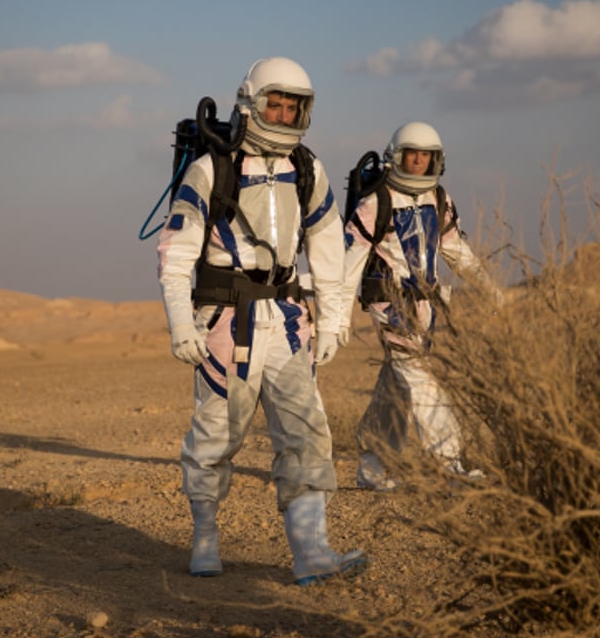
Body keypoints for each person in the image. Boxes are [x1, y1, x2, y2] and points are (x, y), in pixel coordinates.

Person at [157, 56, 366, 586]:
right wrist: (181, 322)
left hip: (290, 320)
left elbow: (326, 246)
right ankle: (205, 539)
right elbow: (177, 251)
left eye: (294, 105)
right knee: (215, 436)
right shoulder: (212, 168)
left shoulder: (307, 170)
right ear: (250, 100)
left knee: (307, 433)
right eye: (276, 101)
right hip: (226, 321)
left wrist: (335, 319)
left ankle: (313, 554)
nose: (284, 112)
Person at [339, 121, 505, 491]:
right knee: (421, 379)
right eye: (411, 154)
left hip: (425, 306)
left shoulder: (439, 199)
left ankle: (372, 463)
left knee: (397, 385)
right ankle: (449, 464)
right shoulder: (375, 202)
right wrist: (336, 317)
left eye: (426, 156)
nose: (418, 162)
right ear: (395, 157)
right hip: (389, 303)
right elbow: (349, 264)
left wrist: (489, 287)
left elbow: (456, 252)